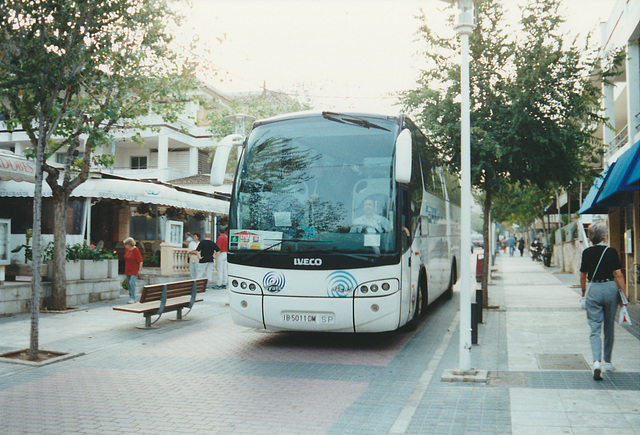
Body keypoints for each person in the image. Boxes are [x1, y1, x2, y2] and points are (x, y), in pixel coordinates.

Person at [579, 222, 628, 381]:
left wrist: (583, 292)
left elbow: (582, 275)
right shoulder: (611, 252)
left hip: (594, 288)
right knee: (609, 326)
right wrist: (624, 296)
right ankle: (608, 361)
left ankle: (596, 362)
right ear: (604, 236)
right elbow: (618, 274)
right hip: (609, 288)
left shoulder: (586, 252)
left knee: (594, 328)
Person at [123, 237, 143, 303]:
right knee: (128, 284)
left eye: (126, 244)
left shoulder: (135, 250)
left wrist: (140, 270)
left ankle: (133, 298)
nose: (125, 246)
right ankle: (130, 297)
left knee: (132, 283)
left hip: (134, 269)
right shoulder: (127, 250)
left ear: (129, 244)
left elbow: (140, 261)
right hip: (128, 269)